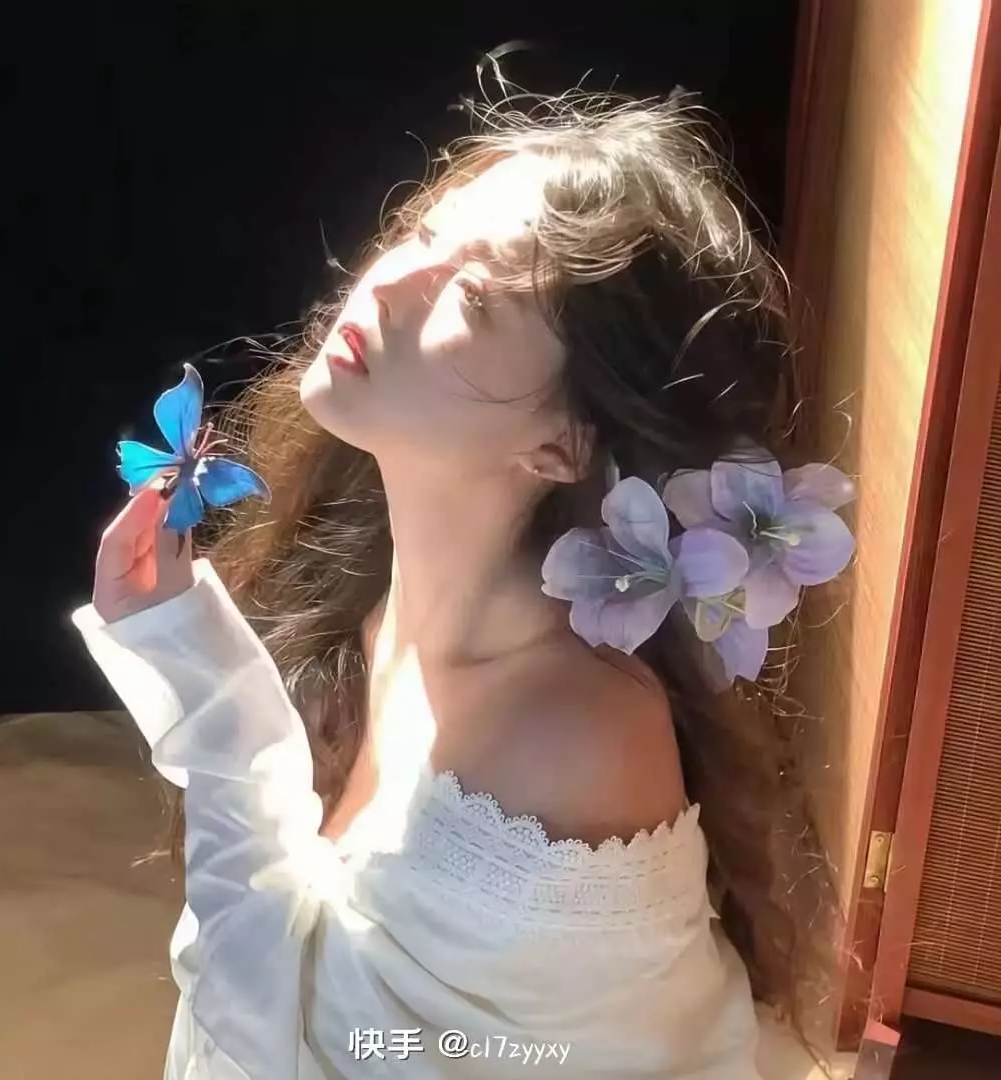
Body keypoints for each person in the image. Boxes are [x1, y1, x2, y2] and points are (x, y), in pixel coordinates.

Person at [74, 89, 853, 1078]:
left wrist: (219, 708)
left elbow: (301, 1051)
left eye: (476, 297)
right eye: (421, 234)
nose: (389, 281)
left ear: (564, 445)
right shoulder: (371, 609)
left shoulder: (572, 739)